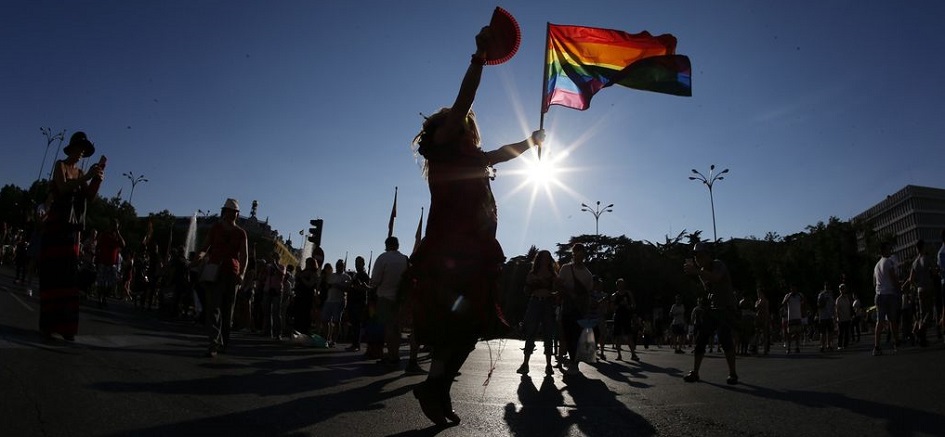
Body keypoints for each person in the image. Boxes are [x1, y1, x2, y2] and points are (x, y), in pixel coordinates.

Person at [405, 24, 545, 426]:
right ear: (440, 128)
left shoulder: (471, 157)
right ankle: (435, 388)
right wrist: (479, 59)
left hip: (470, 252)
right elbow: (464, 98)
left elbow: (500, 153)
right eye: (454, 118)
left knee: (469, 328)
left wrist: (531, 142)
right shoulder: (445, 147)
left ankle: (435, 388)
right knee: (458, 327)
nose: (462, 120)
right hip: (450, 253)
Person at [39, 131, 104, 341]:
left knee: (68, 279)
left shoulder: (80, 173)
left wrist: (97, 179)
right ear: (72, 149)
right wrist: (85, 177)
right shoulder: (61, 165)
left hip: (72, 229)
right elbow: (63, 186)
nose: (81, 154)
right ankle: (49, 326)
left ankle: (66, 327)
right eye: (79, 149)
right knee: (53, 276)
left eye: (84, 151)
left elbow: (90, 197)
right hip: (57, 227)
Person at [682, 242, 738, 385]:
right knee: (701, 338)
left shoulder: (718, 264)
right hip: (714, 308)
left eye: (700, 255)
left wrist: (698, 272)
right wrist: (698, 272)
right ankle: (695, 372)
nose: (698, 259)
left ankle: (733, 373)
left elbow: (716, 278)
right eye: (695, 256)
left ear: (708, 255)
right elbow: (708, 288)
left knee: (725, 338)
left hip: (726, 307)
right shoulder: (702, 269)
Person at [200, 198, 248, 357]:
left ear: (238, 214)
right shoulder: (215, 228)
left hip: (232, 274)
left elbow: (244, 256)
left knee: (228, 312)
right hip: (215, 271)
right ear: (224, 212)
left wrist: (241, 274)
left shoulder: (241, 233)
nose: (232, 214)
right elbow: (205, 247)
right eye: (229, 211)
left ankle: (223, 343)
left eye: (235, 212)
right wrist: (196, 260)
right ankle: (214, 342)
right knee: (214, 308)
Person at [517, 250, 558, 376]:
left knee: (548, 333)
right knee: (531, 332)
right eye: (543, 257)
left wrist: (550, 290)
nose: (545, 260)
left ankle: (549, 364)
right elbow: (526, 290)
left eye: (547, 257)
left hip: (547, 302)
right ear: (539, 259)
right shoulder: (532, 272)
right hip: (535, 301)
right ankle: (525, 363)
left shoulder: (553, 274)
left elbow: (557, 290)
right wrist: (533, 285)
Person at [555, 243, 594, 376]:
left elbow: (588, 294)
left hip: (579, 308)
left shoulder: (588, 274)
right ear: (573, 254)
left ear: (584, 255)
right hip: (567, 305)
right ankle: (569, 359)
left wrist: (586, 310)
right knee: (566, 334)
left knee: (576, 335)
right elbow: (559, 285)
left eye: (581, 253)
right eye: (576, 253)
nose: (578, 256)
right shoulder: (566, 268)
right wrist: (568, 293)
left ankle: (574, 362)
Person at [371, 237, 410, 366]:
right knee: (397, 328)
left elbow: (375, 280)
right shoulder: (404, 259)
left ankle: (391, 354)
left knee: (388, 327)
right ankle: (396, 353)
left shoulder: (383, 258)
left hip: (385, 297)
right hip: (400, 299)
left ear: (387, 245)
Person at [904, 239, 934, 347]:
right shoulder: (926, 258)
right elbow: (934, 271)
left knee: (921, 314)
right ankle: (921, 331)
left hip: (919, 289)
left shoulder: (914, 263)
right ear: (923, 247)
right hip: (928, 287)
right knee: (929, 313)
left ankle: (922, 339)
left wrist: (917, 285)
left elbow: (911, 279)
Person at [872, 242, 900, 356]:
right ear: (884, 251)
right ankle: (896, 342)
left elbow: (874, 282)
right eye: (888, 249)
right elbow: (893, 277)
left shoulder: (876, 265)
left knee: (880, 321)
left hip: (879, 294)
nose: (890, 251)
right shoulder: (888, 262)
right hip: (889, 293)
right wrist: (898, 287)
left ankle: (877, 346)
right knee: (893, 319)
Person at [93, 219, 126, 308]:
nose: (114, 227)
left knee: (112, 283)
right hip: (103, 262)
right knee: (101, 282)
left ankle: (104, 296)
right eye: (113, 225)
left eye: (116, 225)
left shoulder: (117, 236)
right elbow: (98, 245)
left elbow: (123, 244)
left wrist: (118, 233)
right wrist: (97, 258)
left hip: (112, 264)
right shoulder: (104, 234)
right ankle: (100, 298)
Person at [322, 259, 349, 347]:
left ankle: (334, 341)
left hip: (339, 301)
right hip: (329, 300)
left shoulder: (346, 277)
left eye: (340, 265)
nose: (338, 267)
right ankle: (326, 339)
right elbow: (326, 286)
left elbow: (347, 289)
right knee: (325, 320)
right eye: (337, 265)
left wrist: (336, 286)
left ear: (343, 267)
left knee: (336, 321)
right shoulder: (331, 276)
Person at [611, 278, 639, 361]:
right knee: (618, 336)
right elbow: (612, 308)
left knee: (629, 335)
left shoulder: (628, 294)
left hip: (627, 316)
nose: (621, 286)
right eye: (619, 284)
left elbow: (634, 305)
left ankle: (633, 354)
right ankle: (619, 354)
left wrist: (629, 306)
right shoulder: (614, 295)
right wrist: (619, 305)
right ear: (617, 285)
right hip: (618, 317)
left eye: (623, 284)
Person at [346, 256, 370, 351]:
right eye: (356, 263)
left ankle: (356, 345)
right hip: (352, 301)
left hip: (359, 302)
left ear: (363, 264)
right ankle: (354, 343)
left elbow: (365, 288)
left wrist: (355, 287)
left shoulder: (364, 275)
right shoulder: (356, 275)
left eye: (359, 263)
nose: (356, 265)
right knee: (354, 324)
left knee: (357, 324)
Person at [293, 257, 319, 336]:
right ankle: (297, 331)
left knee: (305, 315)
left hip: (307, 296)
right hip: (299, 295)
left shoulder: (313, 273)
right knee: (298, 315)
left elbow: (310, 284)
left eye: (308, 263)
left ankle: (304, 332)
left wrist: (301, 277)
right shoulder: (304, 271)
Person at [782, 284, 806, 354]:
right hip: (791, 317)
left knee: (798, 333)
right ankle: (788, 348)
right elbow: (783, 303)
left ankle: (797, 347)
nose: (794, 290)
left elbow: (804, 302)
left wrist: (803, 312)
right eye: (792, 288)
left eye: (795, 288)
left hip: (798, 316)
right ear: (790, 289)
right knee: (789, 333)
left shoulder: (799, 295)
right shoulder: (788, 295)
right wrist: (789, 296)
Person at [816, 283, 836, 352]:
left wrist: (834, 315)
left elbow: (833, 305)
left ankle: (829, 345)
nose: (827, 287)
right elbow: (818, 305)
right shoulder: (821, 295)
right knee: (823, 332)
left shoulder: (831, 295)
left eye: (828, 286)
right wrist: (824, 301)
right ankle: (822, 345)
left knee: (830, 332)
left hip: (830, 316)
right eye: (826, 286)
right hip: (823, 316)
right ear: (824, 287)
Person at [835, 283, 853, 351]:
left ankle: (845, 345)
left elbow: (849, 308)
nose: (842, 290)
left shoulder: (847, 298)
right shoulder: (838, 299)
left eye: (843, 289)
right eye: (841, 289)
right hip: (841, 318)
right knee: (841, 333)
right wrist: (838, 317)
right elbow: (837, 309)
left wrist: (850, 316)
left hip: (847, 317)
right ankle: (839, 345)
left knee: (847, 332)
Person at [754, 286, 771, 355]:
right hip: (758, 318)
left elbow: (767, 311)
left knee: (765, 335)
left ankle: (765, 349)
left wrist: (767, 319)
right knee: (757, 334)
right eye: (758, 293)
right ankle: (756, 349)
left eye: (759, 293)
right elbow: (755, 308)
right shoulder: (757, 301)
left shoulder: (766, 301)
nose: (758, 294)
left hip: (764, 318)